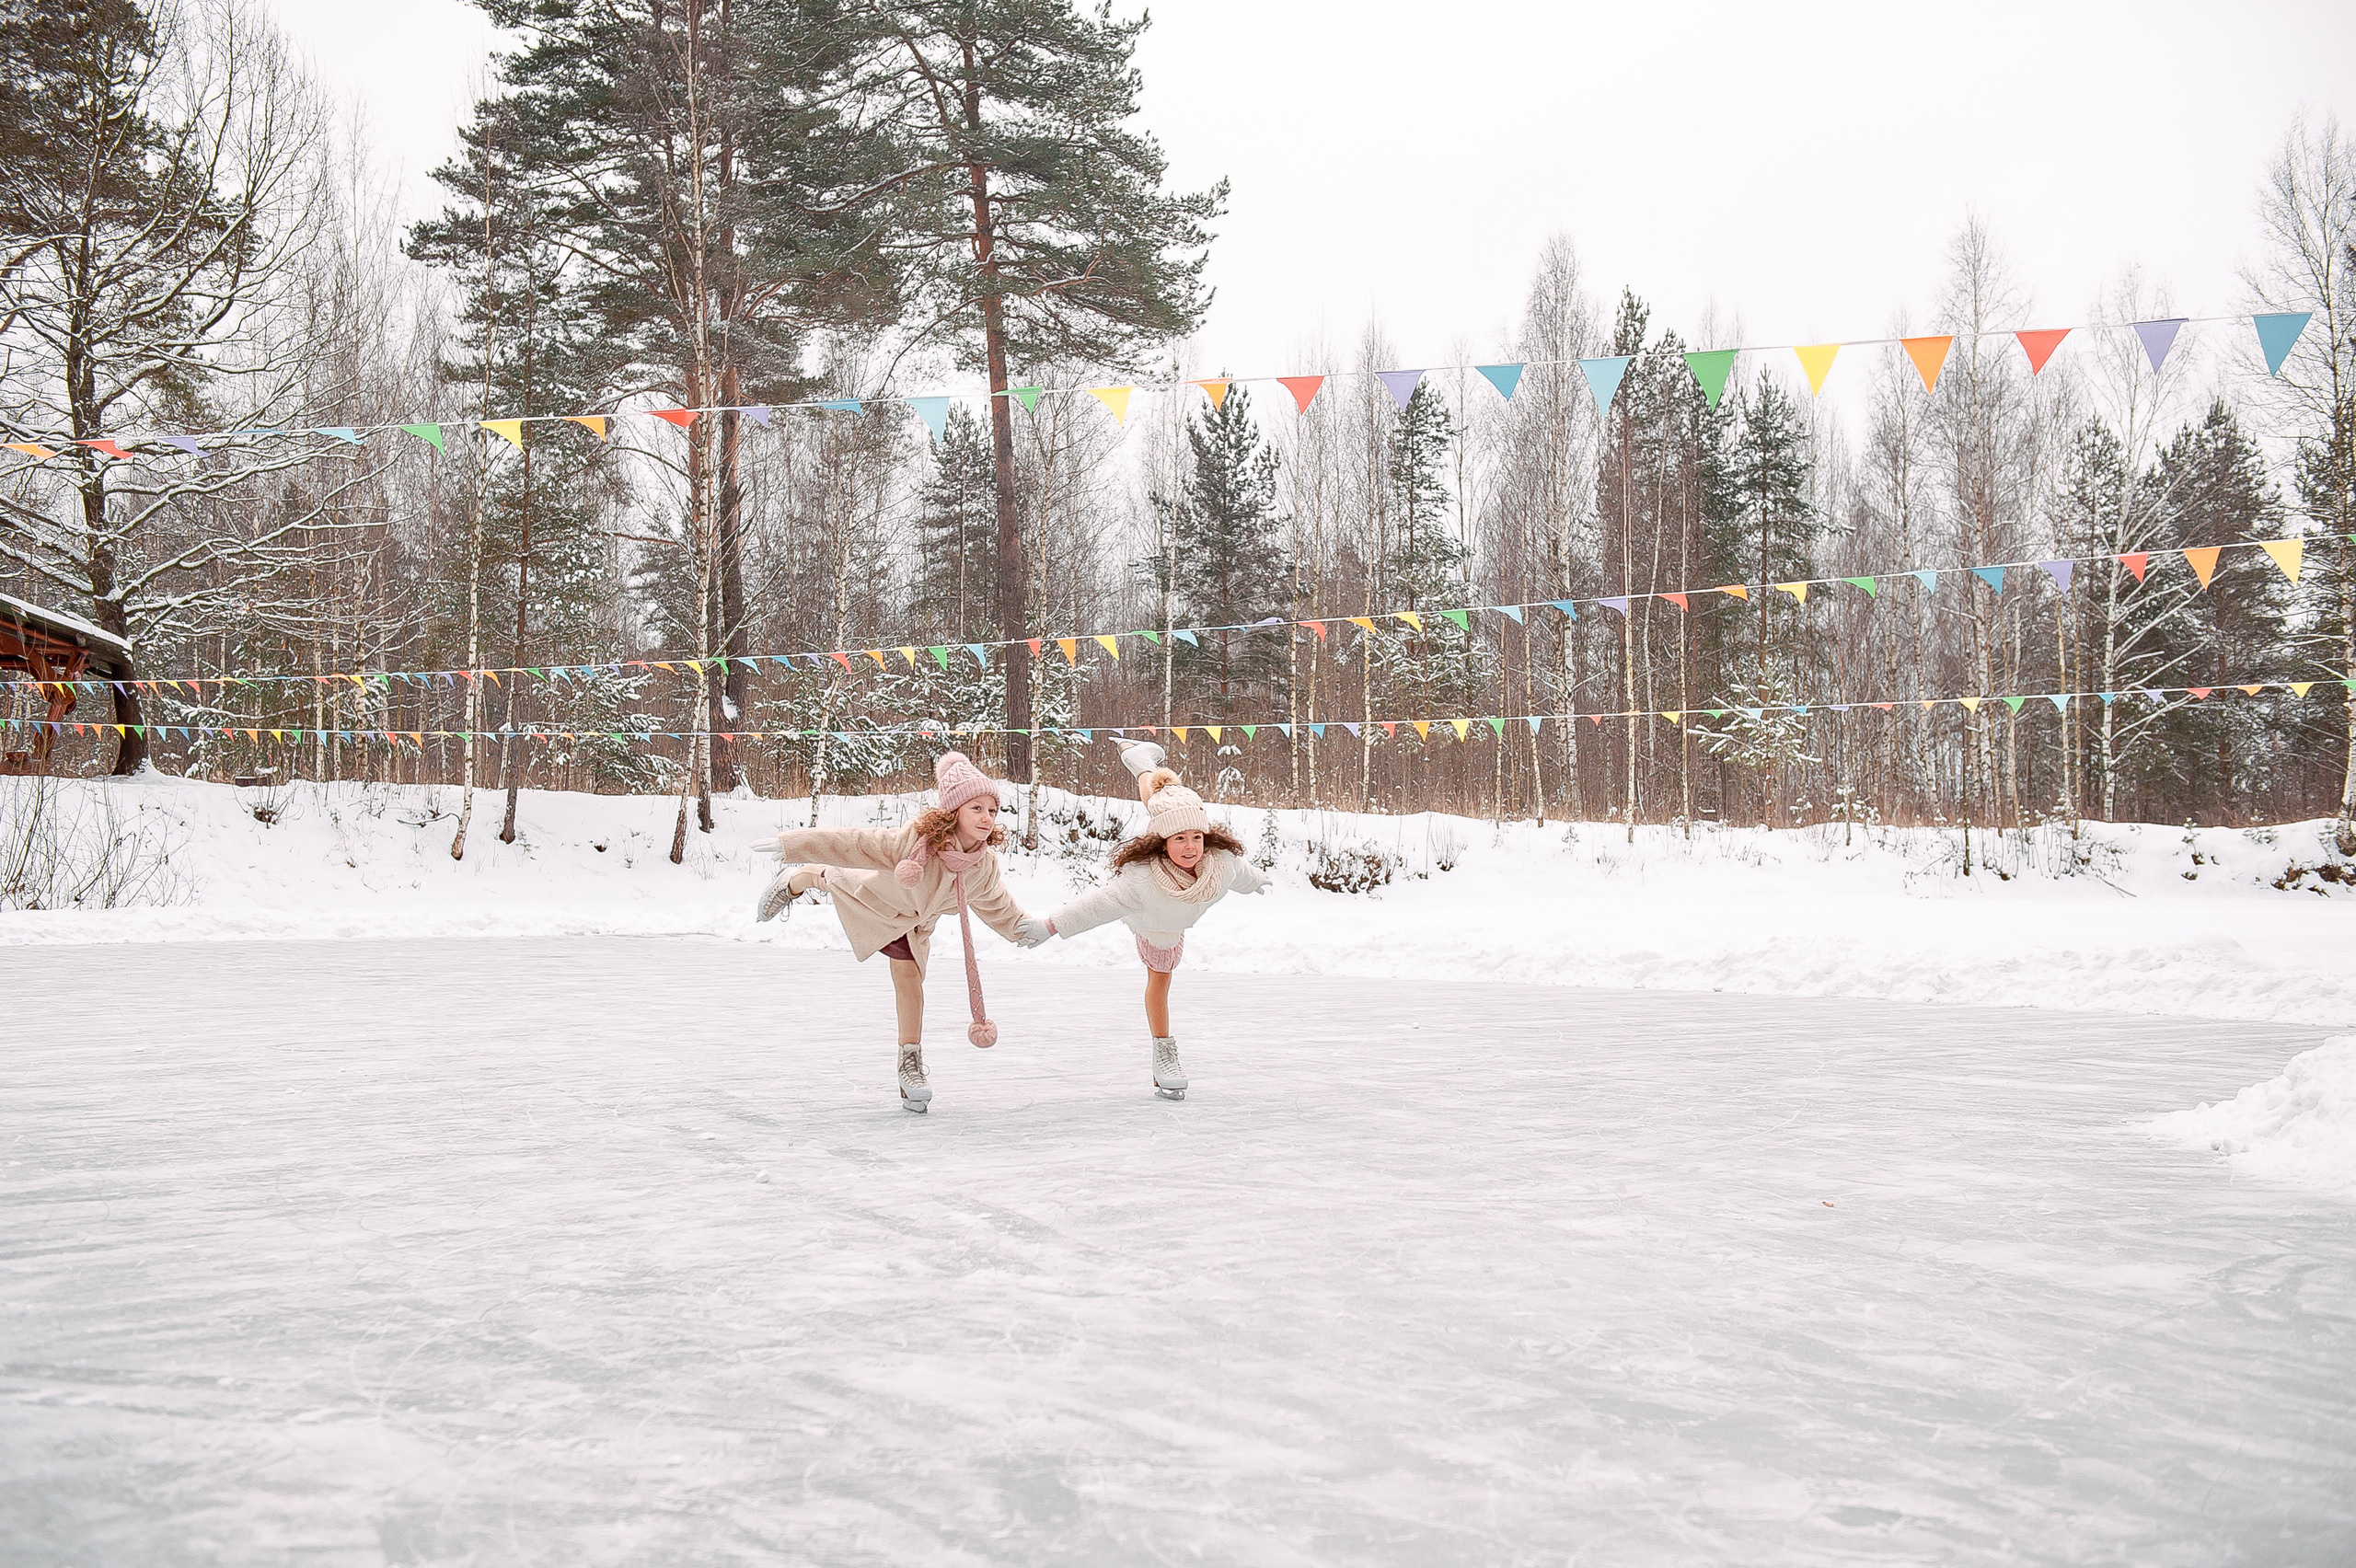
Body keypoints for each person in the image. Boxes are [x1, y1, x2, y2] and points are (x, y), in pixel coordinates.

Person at [755, 751, 1048, 1113]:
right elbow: (857, 843)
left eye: (992, 810)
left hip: (913, 926)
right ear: (954, 811)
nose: (986, 817)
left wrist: (1024, 929)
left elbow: (997, 903)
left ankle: (909, 1064)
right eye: (976, 808)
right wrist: (793, 844)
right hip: (875, 900)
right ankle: (799, 879)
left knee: (909, 980)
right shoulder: (916, 841)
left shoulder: (981, 866)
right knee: (830, 877)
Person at [1040, 742, 1270, 1099]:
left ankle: (1141, 763)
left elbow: (1241, 872)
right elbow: (1095, 905)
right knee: (1161, 978)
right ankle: (1163, 1051)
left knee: (1167, 796)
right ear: (1162, 843)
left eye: (1197, 838)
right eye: (1180, 839)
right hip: (1155, 923)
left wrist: (1256, 882)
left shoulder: (1219, 863)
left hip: (1175, 829)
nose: (1191, 847)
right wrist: (1050, 925)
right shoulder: (1139, 883)